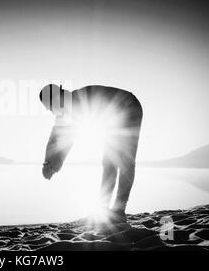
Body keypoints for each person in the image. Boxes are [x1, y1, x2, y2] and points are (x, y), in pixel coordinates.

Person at [39, 84, 143, 223]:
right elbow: (56, 137)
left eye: (49, 107)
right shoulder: (67, 107)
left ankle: (119, 210)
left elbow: (65, 140)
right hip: (111, 119)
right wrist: (49, 164)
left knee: (126, 162)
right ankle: (103, 209)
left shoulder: (73, 104)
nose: (50, 111)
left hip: (130, 107)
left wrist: (51, 166)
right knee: (109, 163)